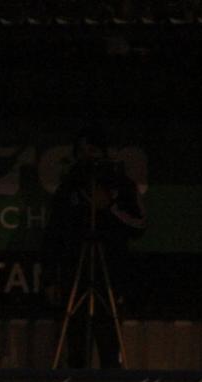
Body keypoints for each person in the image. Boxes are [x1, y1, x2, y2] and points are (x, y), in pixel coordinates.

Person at [43, 124, 146, 368]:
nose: (88, 157)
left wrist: (109, 207)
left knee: (108, 335)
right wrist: (50, 278)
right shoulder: (69, 187)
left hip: (109, 273)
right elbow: (53, 235)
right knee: (76, 339)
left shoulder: (122, 185)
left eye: (93, 150)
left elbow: (139, 225)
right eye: (82, 152)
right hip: (75, 272)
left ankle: (112, 381)